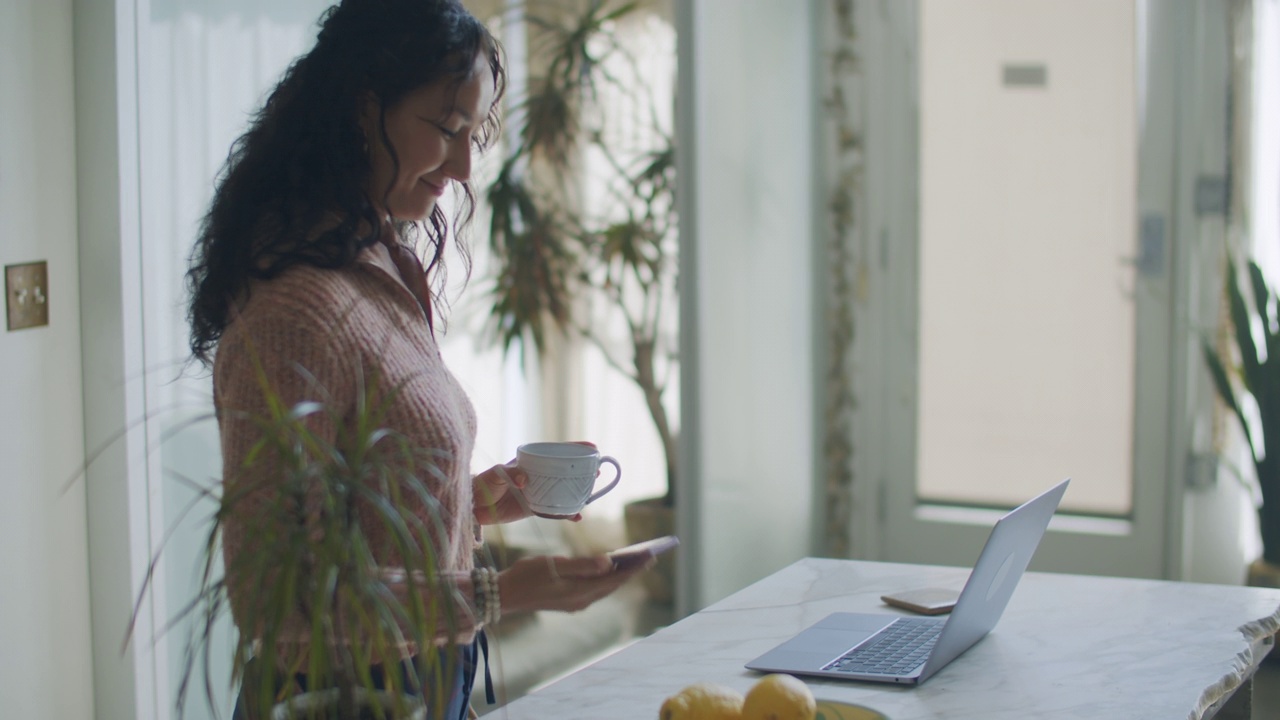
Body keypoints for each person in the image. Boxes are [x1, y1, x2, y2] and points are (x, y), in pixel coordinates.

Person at [184, 1, 649, 717]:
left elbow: (358, 512)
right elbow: (285, 602)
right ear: (361, 109)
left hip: (430, 681)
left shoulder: (377, 261)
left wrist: (466, 503)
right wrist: (505, 591)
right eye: (445, 128)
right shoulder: (294, 315)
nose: (464, 166)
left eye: (475, 133)